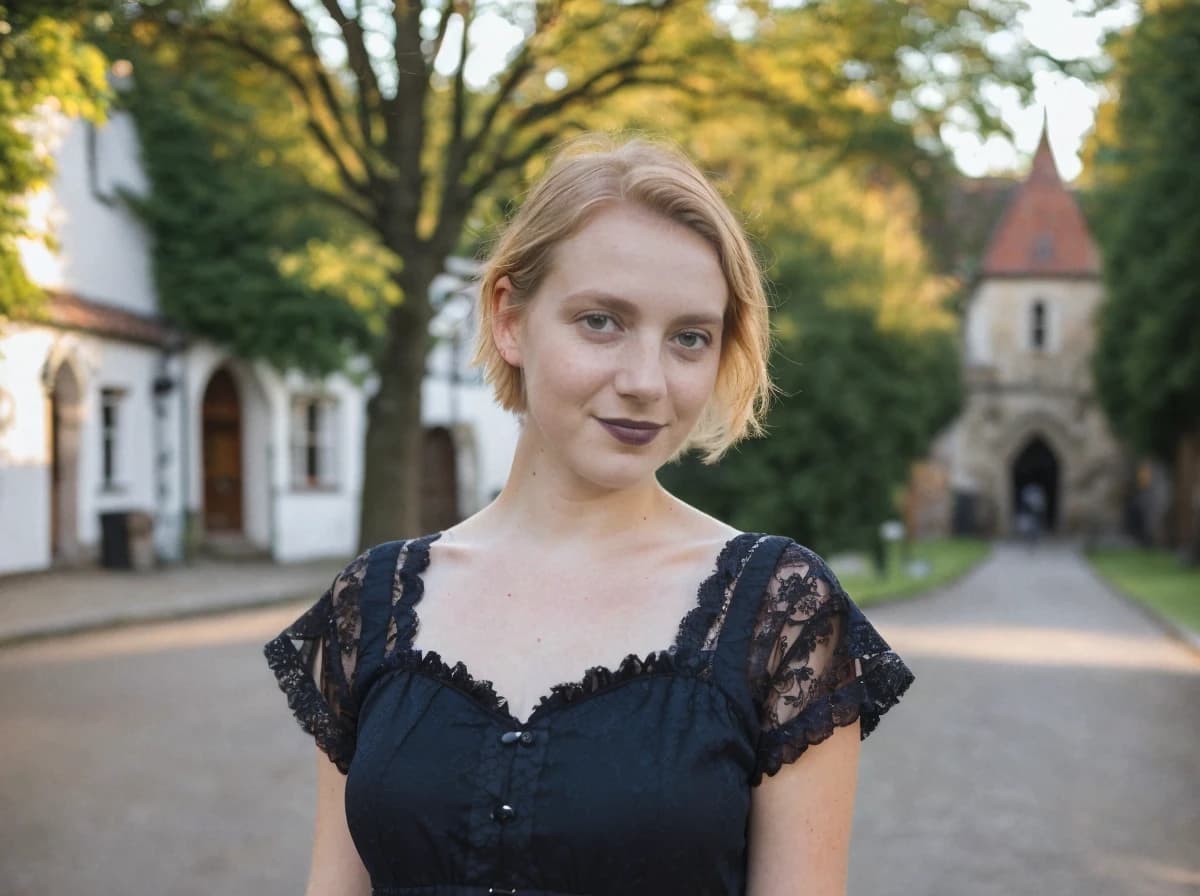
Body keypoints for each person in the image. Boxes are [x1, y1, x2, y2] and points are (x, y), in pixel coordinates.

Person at [264, 134, 915, 896]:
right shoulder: (370, 604)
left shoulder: (781, 612)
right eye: (601, 321)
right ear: (510, 318)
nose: (646, 381)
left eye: (689, 338)